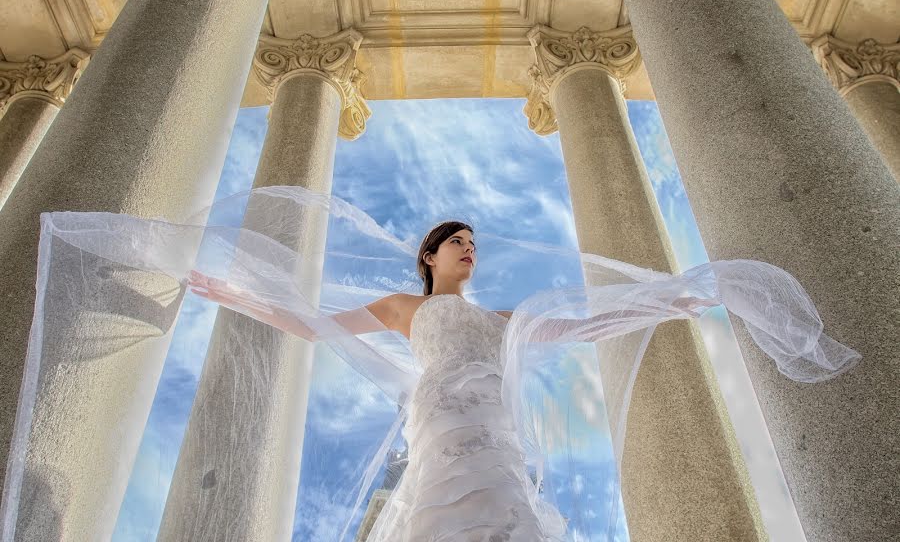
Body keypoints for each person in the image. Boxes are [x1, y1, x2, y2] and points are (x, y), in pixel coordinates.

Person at [1, 186, 860, 541]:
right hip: (439, 428)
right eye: (457, 241)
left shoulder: (502, 315)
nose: (469, 249)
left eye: (475, 243)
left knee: (503, 511)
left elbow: (587, 326)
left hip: (493, 430)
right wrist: (227, 294)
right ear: (429, 256)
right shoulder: (402, 310)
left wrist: (672, 301)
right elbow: (306, 325)